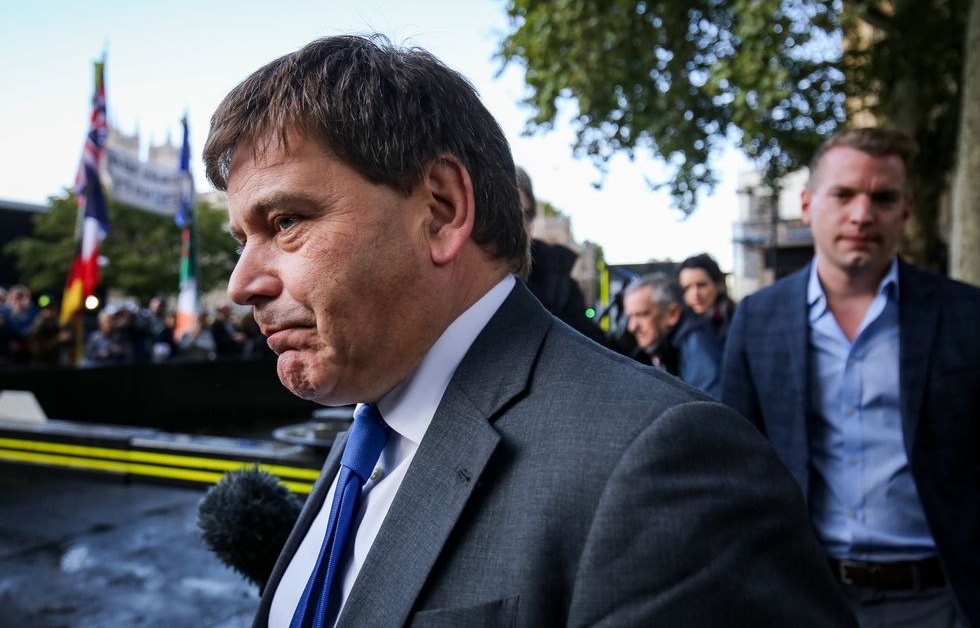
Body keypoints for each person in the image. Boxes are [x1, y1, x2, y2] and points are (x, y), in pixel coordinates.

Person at [203, 34, 854, 627]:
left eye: (285, 221)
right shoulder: (370, 434)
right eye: (243, 239)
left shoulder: (660, 464)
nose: (242, 282)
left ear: (441, 208)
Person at [722, 127, 980, 627]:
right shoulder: (758, 319)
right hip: (806, 598)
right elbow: (737, 463)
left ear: (905, 210)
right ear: (807, 204)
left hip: (941, 600)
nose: (862, 215)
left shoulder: (966, 315)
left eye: (883, 198)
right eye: (843, 194)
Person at [516, 165, 607, 345]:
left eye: (520, 215)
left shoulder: (559, 285)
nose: (509, 225)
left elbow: (595, 348)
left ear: (531, 223)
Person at [623, 272, 723, 399]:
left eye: (642, 314)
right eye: (630, 317)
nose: (632, 327)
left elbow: (710, 409)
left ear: (672, 314)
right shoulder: (664, 345)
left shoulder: (697, 344)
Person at [677, 252, 735, 342]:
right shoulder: (676, 326)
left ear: (717, 285)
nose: (695, 294)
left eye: (701, 285)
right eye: (687, 288)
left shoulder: (736, 318)